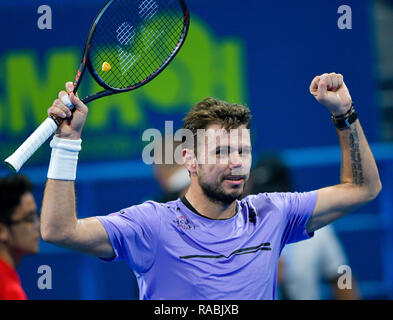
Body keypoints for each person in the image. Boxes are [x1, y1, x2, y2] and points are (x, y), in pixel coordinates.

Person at [40, 73, 381, 299]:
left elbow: (362, 188)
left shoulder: (273, 213)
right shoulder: (150, 224)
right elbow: (59, 231)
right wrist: (67, 142)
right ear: (190, 159)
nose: (237, 162)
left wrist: (345, 113)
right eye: (222, 151)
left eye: (243, 151)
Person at [244, 157, 361, 300]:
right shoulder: (240, 231)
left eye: (272, 194)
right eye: (259, 195)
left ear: (286, 191)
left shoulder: (318, 228)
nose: (267, 202)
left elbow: (342, 273)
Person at [0, 175, 40, 300]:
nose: (37, 226)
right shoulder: (9, 291)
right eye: (29, 218)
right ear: (1, 231)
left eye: (36, 218)